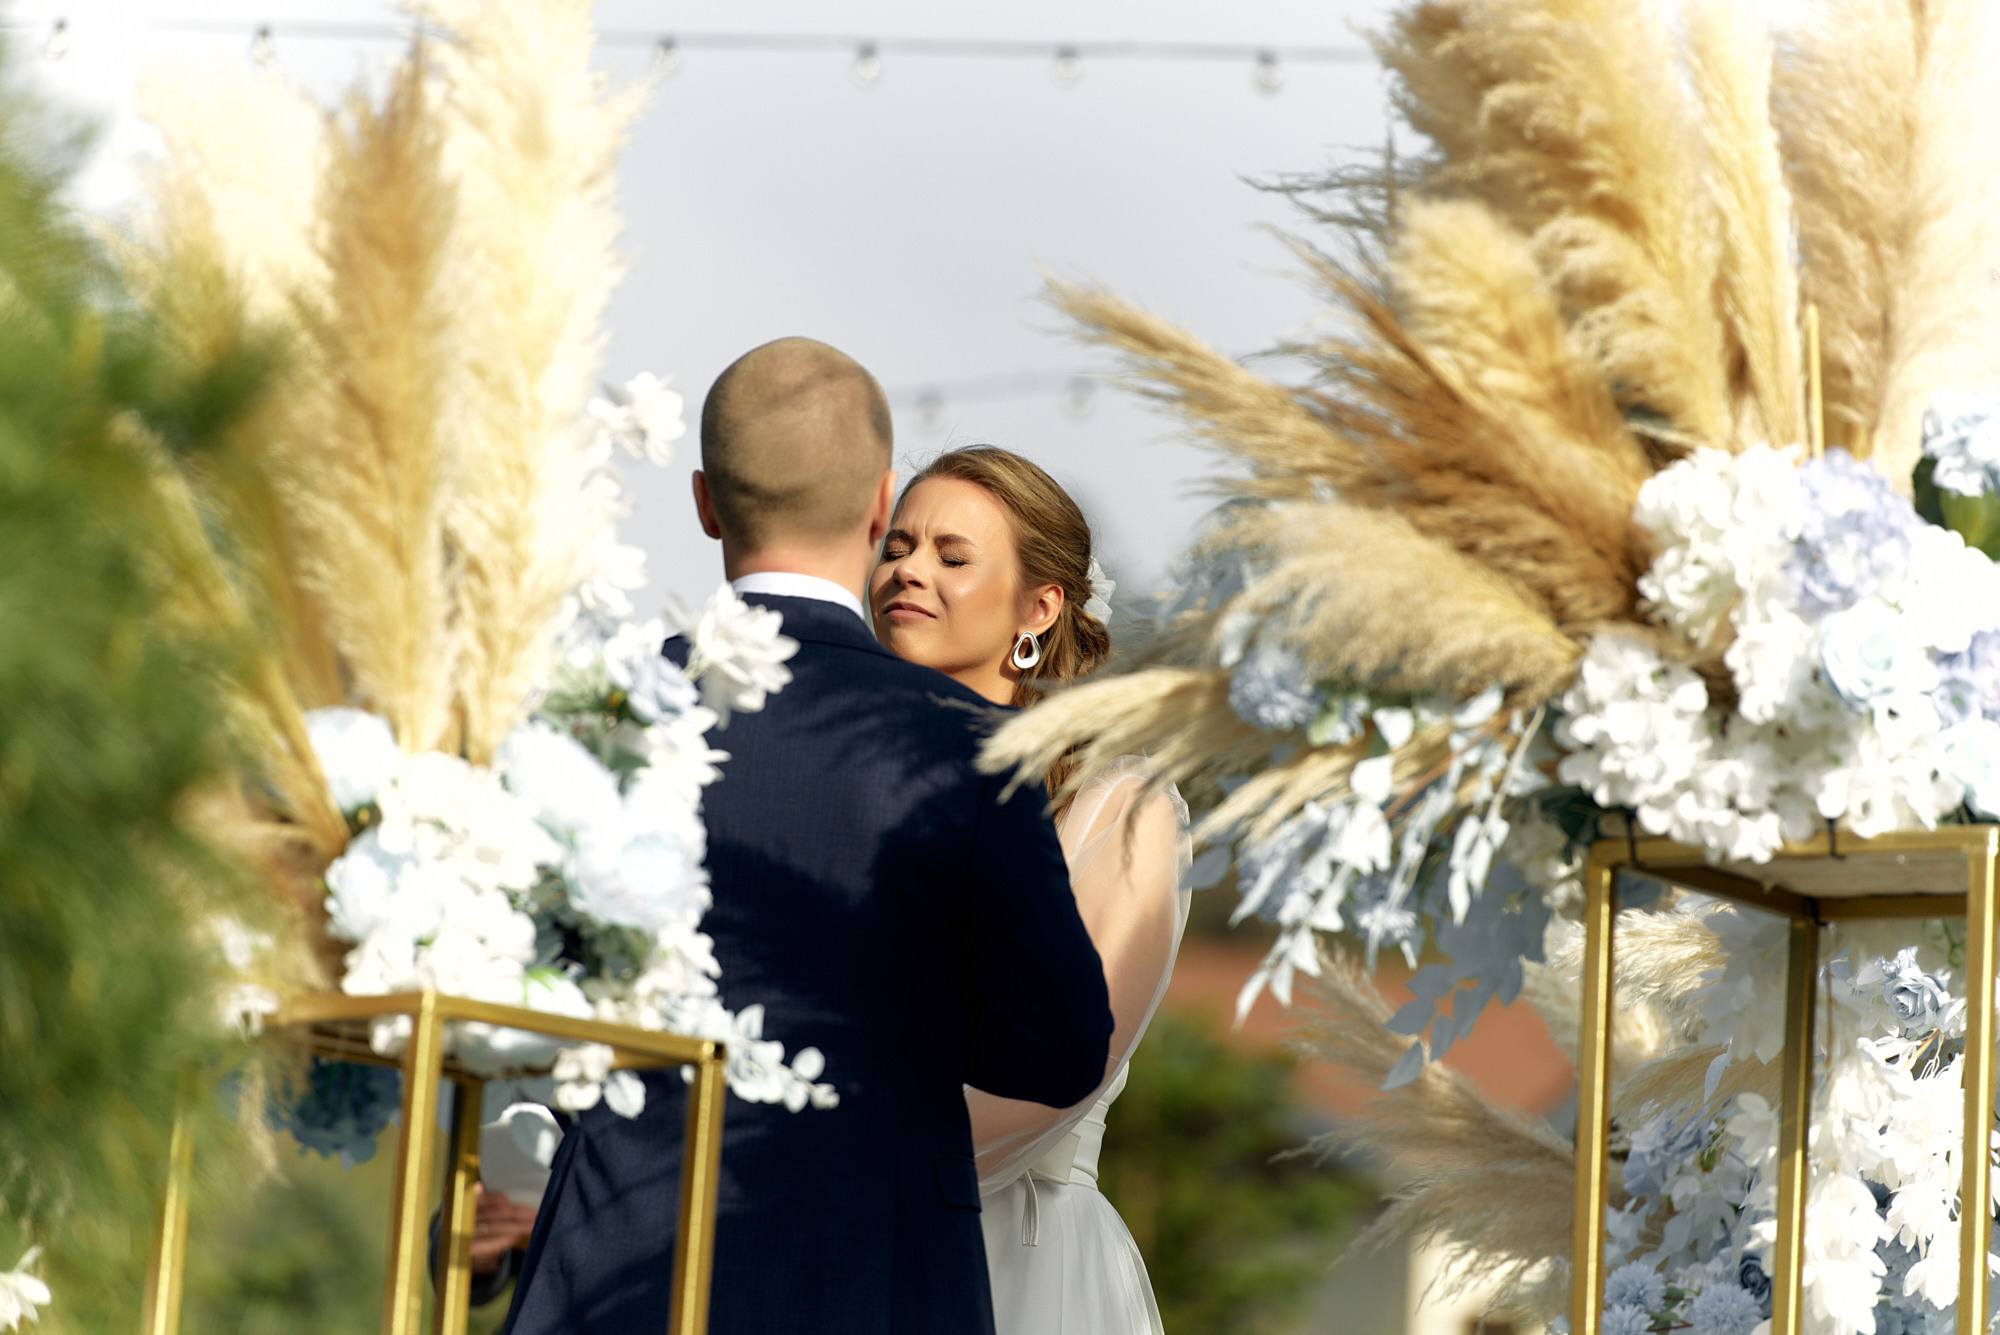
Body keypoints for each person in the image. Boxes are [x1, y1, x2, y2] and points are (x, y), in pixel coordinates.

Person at [498, 339, 1114, 1335]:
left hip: (610, 1264)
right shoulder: (969, 744)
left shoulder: (590, 717)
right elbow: (1058, 1050)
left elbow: (513, 995)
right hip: (872, 1271)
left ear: (704, 503)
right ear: (879, 508)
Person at [870, 446, 1189, 1335]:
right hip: (833, 1247)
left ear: (1039, 607)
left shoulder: (1119, 807)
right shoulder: (849, 782)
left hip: (1016, 1261)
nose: (909, 570)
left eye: (950, 554)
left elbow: (1061, 1075)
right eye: (897, 544)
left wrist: (830, 1171)